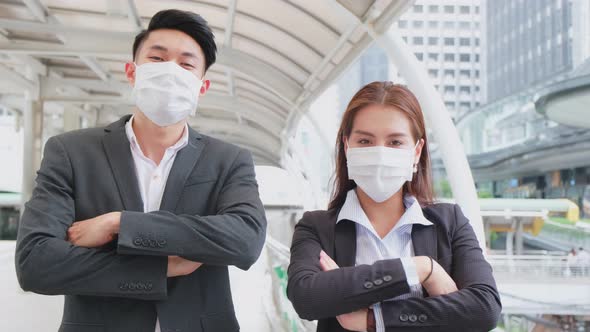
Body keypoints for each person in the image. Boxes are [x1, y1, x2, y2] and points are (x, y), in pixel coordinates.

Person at [15, 9, 266, 332]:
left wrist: (120, 223)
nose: (170, 72)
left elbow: (245, 241)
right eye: (157, 59)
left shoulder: (228, 160)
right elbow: (36, 263)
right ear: (132, 72)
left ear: (201, 87)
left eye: (186, 64)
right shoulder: (72, 152)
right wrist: (161, 268)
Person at [287, 82, 501, 332]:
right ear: (347, 147)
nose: (379, 153)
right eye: (365, 141)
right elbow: (306, 298)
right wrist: (419, 268)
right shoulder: (317, 227)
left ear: (417, 150)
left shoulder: (449, 222)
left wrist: (373, 319)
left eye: (395, 142)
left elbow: (484, 309)